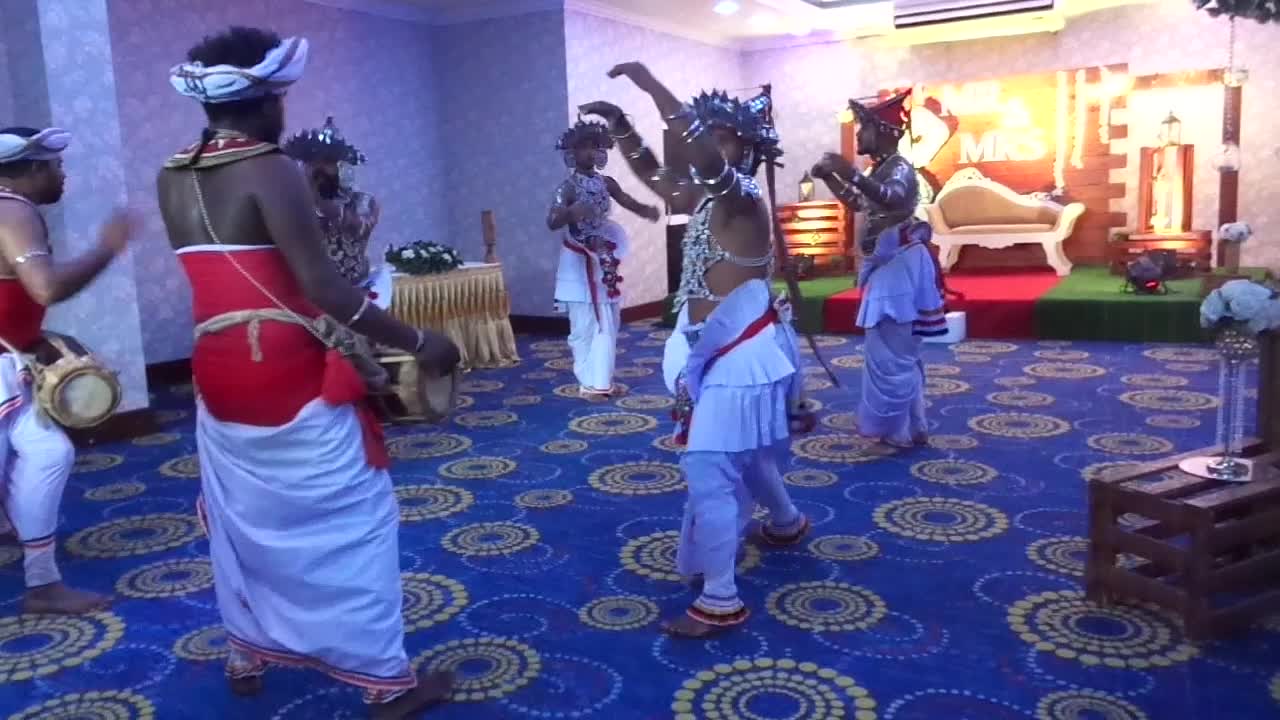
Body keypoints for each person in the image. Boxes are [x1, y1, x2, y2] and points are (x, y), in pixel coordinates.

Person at [157, 27, 458, 717]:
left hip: (215, 366)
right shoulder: (271, 167)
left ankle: (247, 645)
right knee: (357, 518)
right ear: (267, 98)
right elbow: (326, 288)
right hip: (286, 369)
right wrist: (418, 340)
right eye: (283, 95)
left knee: (245, 515)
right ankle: (385, 681)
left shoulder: (172, 172)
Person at [581, 64, 811, 639]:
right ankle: (785, 522)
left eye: (722, 134)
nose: (710, 143)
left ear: (747, 149)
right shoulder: (709, 200)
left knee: (708, 468)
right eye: (710, 133)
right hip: (718, 349)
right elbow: (656, 176)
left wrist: (650, 85)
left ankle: (720, 598)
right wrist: (624, 127)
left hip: (743, 354)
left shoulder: (741, 197)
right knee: (750, 454)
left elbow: (702, 158)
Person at [0, 127, 137, 615]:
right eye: (55, 165)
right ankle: (41, 584)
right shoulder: (12, 208)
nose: (62, 174)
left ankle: (42, 581)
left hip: (7, 362)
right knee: (48, 454)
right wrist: (108, 247)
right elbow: (45, 289)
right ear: (33, 167)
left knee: (48, 453)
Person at [813, 91, 945, 448]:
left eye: (864, 128)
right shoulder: (881, 168)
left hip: (898, 267)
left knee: (891, 352)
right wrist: (830, 178)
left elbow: (889, 196)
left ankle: (900, 430)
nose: (858, 136)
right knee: (893, 351)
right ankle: (914, 425)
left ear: (885, 132)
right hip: (890, 266)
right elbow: (860, 202)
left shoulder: (899, 167)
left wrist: (849, 172)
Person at [547, 119, 660, 400]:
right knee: (585, 325)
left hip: (604, 255)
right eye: (584, 148)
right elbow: (552, 221)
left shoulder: (606, 182)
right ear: (572, 154)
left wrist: (647, 210)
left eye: (595, 147)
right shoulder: (567, 188)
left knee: (609, 320)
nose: (590, 153)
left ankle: (602, 380)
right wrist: (572, 212)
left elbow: (626, 200)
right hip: (579, 259)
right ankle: (589, 382)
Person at [282, 117, 391, 308]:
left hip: (356, 296)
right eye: (312, 162)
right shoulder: (290, 203)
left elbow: (360, 228)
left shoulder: (363, 201)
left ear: (340, 166)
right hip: (308, 301)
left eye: (327, 162)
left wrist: (317, 200)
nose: (319, 168)